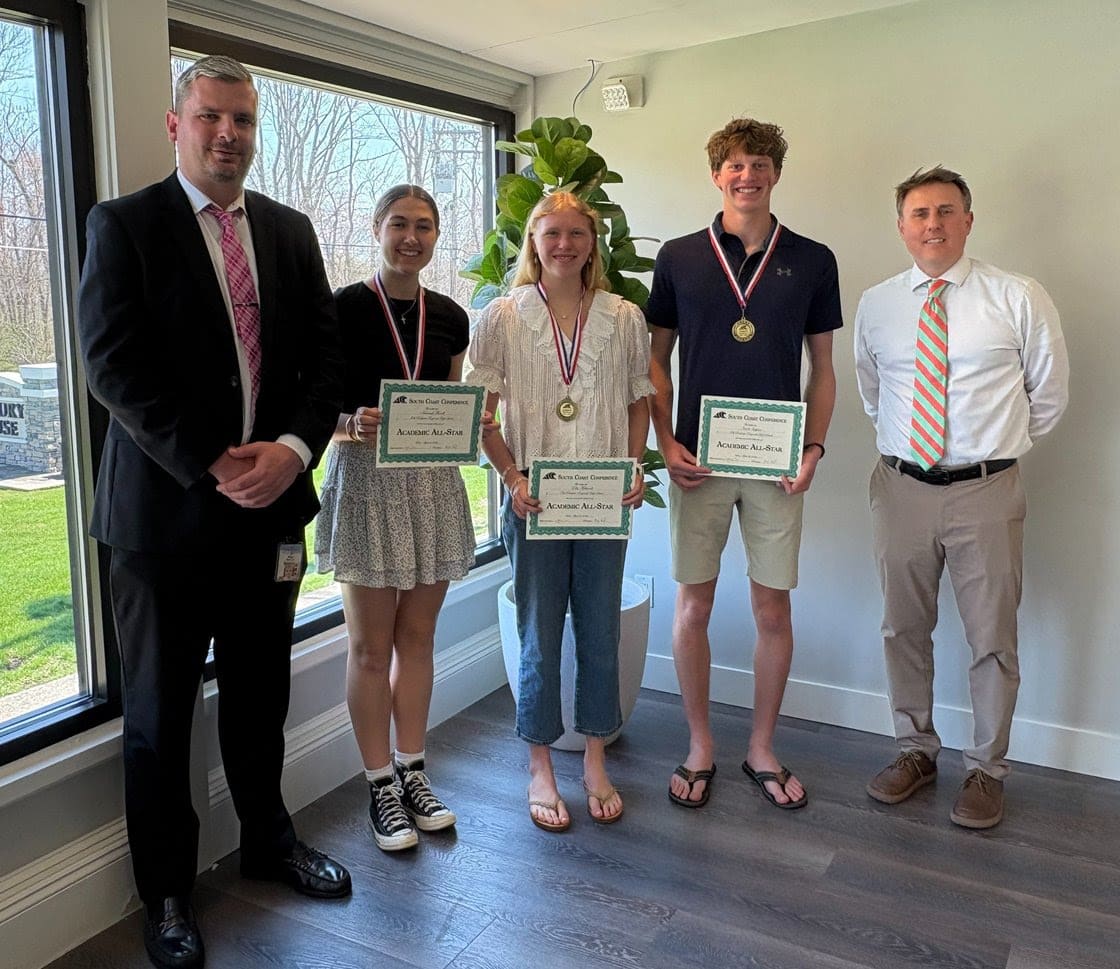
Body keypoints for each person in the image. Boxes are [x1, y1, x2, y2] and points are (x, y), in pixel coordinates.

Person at [77, 55, 350, 969]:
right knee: (160, 715)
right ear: (176, 124)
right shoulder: (124, 225)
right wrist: (211, 460)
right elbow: (111, 364)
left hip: (269, 515)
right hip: (162, 524)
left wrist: (293, 450)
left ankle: (269, 842)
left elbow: (326, 362)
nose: (228, 134)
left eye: (243, 119)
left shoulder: (290, 230)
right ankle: (167, 892)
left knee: (262, 693)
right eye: (210, 116)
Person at [854, 166, 1068, 829]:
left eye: (946, 211)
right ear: (902, 226)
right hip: (901, 487)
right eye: (919, 213)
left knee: (991, 637)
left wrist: (990, 450)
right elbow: (873, 392)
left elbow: (1049, 395)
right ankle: (914, 749)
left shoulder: (1017, 296)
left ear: (968, 221)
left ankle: (986, 768)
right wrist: (913, 450)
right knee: (902, 627)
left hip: (987, 490)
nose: (933, 224)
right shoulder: (878, 303)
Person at [647, 117, 841, 812]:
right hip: (697, 459)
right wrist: (665, 441)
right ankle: (700, 744)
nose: (747, 175)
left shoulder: (813, 259)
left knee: (772, 607)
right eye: (734, 164)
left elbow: (823, 368)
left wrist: (813, 448)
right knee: (692, 604)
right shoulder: (678, 256)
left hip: (777, 463)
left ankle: (761, 747)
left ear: (776, 174)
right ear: (716, 175)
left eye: (760, 164)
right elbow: (655, 360)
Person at [466, 191, 652, 832]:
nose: (564, 244)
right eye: (551, 233)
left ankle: (596, 757)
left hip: (602, 505)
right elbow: (482, 415)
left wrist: (634, 466)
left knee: (601, 630)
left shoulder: (625, 318)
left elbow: (638, 402)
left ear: (593, 243)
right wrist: (511, 477)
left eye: (577, 233)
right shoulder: (501, 318)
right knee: (539, 635)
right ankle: (540, 764)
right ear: (533, 242)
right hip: (534, 502)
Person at [315, 184, 474, 852]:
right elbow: (309, 407)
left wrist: (469, 424)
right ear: (376, 227)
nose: (412, 237)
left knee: (419, 640)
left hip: (431, 487)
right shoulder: (339, 309)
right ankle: (379, 783)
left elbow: (452, 399)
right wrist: (349, 423)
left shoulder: (452, 317)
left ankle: (414, 770)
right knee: (370, 648)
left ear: (436, 236)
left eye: (425, 226)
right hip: (366, 484)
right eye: (400, 224)